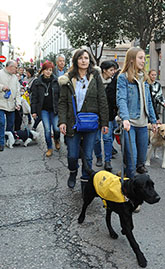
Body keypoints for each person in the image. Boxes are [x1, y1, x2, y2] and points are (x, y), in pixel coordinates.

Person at [58, 49, 109, 191]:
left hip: (91, 122)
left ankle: (85, 181)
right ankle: (73, 172)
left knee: (88, 156)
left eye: (86, 58)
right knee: (72, 155)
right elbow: (62, 102)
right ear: (76, 60)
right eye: (80, 58)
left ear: (90, 60)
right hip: (72, 122)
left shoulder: (95, 77)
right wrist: (62, 121)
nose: (83, 60)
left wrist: (104, 123)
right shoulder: (67, 78)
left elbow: (102, 100)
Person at [117, 47, 157, 179]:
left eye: (144, 58)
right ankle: (129, 188)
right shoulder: (123, 78)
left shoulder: (145, 79)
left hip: (143, 125)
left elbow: (149, 101)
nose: (143, 61)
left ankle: (131, 176)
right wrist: (125, 118)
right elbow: (121, 98)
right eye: (140, 58)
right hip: (130, 124)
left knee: (141, 159)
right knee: (131, 158)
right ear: (132, 60)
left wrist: (153, 120)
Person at [31, 61, 61, 157]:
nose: (48, 72)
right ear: (42, 71)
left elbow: (60, 96)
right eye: (46, 70)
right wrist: (34, 111)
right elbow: (34, 97)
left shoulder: (56, 81)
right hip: (43, 109)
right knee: (47, 129)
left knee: (56, 129)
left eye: (50, 70)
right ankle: (49, 147)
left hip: (54, 109)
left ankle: (56, 139)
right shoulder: (37, 82)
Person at [94, 60, 118, 170]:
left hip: (109, 115)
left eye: (114, 70)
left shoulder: (114, 83)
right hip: (96, 115)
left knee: (107, 138)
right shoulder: (95, 82)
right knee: (97, 139)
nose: (113, 72)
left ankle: (107, 161)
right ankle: (99, 157)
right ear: (104, 70)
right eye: (111, 70)